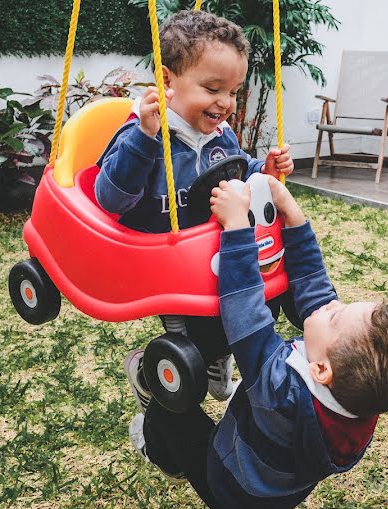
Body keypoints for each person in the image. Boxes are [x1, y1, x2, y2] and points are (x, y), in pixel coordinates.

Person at [128, 176, 388, 509]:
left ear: (321, 370)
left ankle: (161, 453)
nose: (329, 305)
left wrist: (237, 227)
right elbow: (316, 291)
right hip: (277, 490)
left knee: (170, 410)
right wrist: (293, 215)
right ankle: (225, 398)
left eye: (335, 313)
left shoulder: (280, 390)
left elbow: (244, 312)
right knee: (256, 391)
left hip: (228, 485)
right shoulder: (359, 399)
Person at [94, 10, 294, 403]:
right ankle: (149, 374)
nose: (226, 103)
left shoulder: (219, 134)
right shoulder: (143, 133)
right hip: (165, 261)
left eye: (233, 91)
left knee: (258, 304)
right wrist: (146, 140)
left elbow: (236, 167)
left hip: (210, 251)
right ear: (167, 81)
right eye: (213, 88)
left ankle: (217, 360)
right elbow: (110, 198)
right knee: (197, 333)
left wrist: (263, 169)